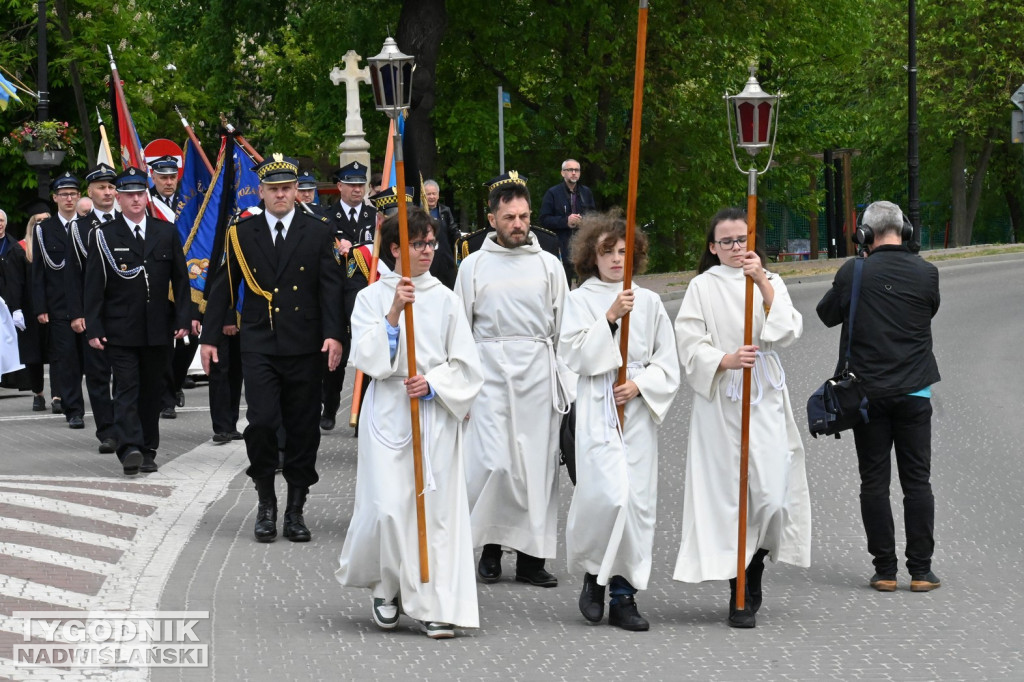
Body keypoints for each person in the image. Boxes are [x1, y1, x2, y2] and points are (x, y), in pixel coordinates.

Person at [336, 208, 483, 640]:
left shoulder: (445, 298)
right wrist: (395, 314)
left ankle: (434, 602)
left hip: (432, 412)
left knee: (433, 514)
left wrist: (435, 382)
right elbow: (365, 357)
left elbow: (467, 364)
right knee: (386, 508)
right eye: (419, 244)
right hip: (387, 409)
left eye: (432, 243)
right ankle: (386, 588)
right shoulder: (371, 297)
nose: (428, 251)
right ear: (396, 248)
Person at [672, 207, 811, 628]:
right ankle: (739, 586)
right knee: (729, 494)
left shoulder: (771, 281)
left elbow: (788, 330)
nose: (736, 248)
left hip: (763, 394)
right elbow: (689, 343)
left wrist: (762, 282)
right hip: (722, 400)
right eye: (727, 242)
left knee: (769, 491)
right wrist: (725, 359)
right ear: (712, 248)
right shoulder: (702, 286)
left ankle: (757, 563)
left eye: (742, 240)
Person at [200, 154, 344, 543]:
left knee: (302, 429)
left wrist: (334, 334)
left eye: (287, 188)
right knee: (261, 423)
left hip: (304, 343)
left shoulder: (318, 229)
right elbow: (224, 284)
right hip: (260, 342)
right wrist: (210, 338)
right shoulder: (242, 232)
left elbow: (329, 286)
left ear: (297, 192)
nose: (280, 195)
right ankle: (266, 501)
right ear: (260, 191)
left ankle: (296, 509)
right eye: (273, 189)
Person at [558, 210, 679, 631]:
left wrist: (641, 383)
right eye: (608, 251)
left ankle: (624, 594)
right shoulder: (580, 300)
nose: (616, 259)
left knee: (637, 503)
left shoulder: (648, 302)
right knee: (607, 496)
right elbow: (572, 354)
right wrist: (609, 318)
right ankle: (595, 575)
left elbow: (669, 362)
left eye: (624, 252)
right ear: (592, 255)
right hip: (598, 404)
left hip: (636, 412)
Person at [816, 200, 941, 593]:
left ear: (864, 234)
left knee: (874, 481)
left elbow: (826, 314)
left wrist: (858, 273)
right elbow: (928, 310)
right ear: (904, 231)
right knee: (917, 481)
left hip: (867, 396)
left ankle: (884, 570)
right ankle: (921, 571)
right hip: (914, 392)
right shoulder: (927, 272)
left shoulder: (855, 271)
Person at [455, 171, 572, 588]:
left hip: (537, 375)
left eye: (523, 216)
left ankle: (531, 557)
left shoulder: (548, 265)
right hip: (488, 374)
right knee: (493, 464)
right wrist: (462, 389)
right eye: (509, 217)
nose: (518, 224)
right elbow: (459, 330)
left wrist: (565, 381)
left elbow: (565, 328)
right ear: (492, 220)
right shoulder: (472, 266)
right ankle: (489, 549)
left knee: (535, 469)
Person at [84, 167, 191, 476]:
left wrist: (184, 317)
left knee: (152, 391)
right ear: (118, 198)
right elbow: (93, 285)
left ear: (147, 196)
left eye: (139, 193)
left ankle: (147, 448)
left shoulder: (165, 231)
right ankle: (129, 446)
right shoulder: (104, 235)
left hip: (158, 327)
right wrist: (94, 326)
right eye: (128, 194)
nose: (135, 199)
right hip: (120, 328)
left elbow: (180, 281)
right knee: (127, 389)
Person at [66, 165, 119, 452]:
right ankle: (108, 432)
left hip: (125, 313)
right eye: (101, 187)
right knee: (98, 375)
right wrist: (77, 313)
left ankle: (125, 424)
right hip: (94, 314)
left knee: (126, 374)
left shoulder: (129, 220)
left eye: (111, 187)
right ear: (90, 192)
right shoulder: (79, 228)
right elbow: (73, 275)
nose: (108, 192)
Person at [31, 172, 87, 428]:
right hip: (59, 305)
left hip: (88, 306)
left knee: (94, 361)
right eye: (63, 194)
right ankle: (74, 409)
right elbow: (39, 271)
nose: (68, 199)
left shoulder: (89, 225)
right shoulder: (44, 230)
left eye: (73, 194)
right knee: (66, 360)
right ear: (54, 198)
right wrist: (41, 307)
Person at [539, 159, 596, 284]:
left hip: (583, 246)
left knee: (587, 284)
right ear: (563, 173)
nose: (574, 173)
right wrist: (566, 221)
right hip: (561, 247)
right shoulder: (553, 193)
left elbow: (593, 217)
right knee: (564, 285)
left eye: (577, 170)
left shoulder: (586, 192)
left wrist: (584, 221)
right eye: (570, 170)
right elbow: (544, 219)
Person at [422, 179, 459, 289]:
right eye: (428, 194)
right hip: (428, 258)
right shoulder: (419, 212)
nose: (432, 197)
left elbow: (453, 231)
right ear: (423, 195)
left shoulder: (445, 211)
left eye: (434, 194)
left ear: (438, 195)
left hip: (445, 259)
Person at [331, 161, 377, 246]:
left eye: (361, 185)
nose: (357, 190)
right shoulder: (327, 216)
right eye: (352, 185)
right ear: (340, 186)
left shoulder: (375, 216)